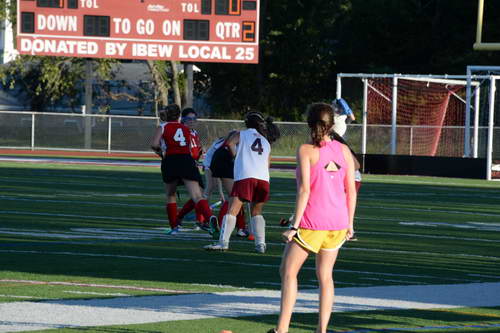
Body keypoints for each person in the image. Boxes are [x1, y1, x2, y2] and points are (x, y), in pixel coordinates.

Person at [269, 103, 357, 333]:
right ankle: (322, 330)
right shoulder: (343, 150)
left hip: (312, 222)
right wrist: (350, 223)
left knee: (287, 272)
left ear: (310, 123)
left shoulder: (306, 150)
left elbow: (304, 191)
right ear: (331, 124)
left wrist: (294, 225)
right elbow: (351, 189)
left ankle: (282, 330)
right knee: (325, 277)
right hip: (338, 223)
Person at [204, 111, 280, 253]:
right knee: (257, 211)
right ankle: (260, 244)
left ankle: (223, 242)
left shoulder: (242, 134)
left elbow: (229, 143)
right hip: (263, 178)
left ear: (247, 123)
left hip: (246, 176)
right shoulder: (265, 141)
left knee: (233, 209)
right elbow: (268, 163)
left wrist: (235, 156)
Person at [150, 104, 217, 235]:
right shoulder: (186, 129)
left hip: (171, 160)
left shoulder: (163, 126)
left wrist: (160, 152)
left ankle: (174, 227)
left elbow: (154, 144)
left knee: (170, 195)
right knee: (197, 195)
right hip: (187, 160)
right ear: (179, 116)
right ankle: (209, 218)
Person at [209, 130, 249, 239]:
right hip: (222, 163)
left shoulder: (223, 146)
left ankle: (240, 227)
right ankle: (227, 227)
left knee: (235, 198)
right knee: (235, 198)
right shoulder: (229, 147)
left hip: (218, 163)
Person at [174, 107, 209, 230]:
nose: (192, 121)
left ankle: (182, 217)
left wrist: (200, 152)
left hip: (192, 165)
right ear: (183, 119)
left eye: (194, 119)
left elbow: (195, 150)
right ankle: (200, 220)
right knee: (199, 195)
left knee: (199, 194)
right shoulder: (182, 131)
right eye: (189, 119)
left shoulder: (194, 132)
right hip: (184, 165)